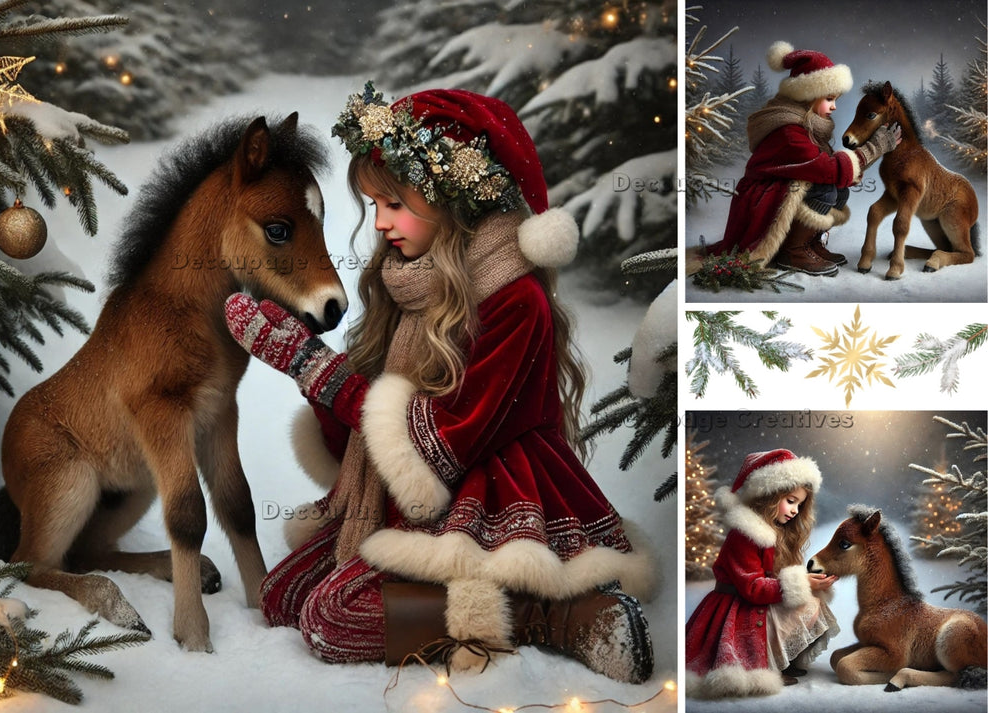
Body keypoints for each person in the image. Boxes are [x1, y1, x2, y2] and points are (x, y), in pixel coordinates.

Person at [223, 83, 655, 683]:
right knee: (283, 594)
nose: (378, 223)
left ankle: (553, 614)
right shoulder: (413, 283)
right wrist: (304, 367)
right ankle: (496, 606)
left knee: (334, 618)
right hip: (412, 499)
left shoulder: (514, 300)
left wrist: (312, 367)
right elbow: (363, 431)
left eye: (393, 202)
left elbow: (439, 447)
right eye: (372, 204)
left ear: (452, 199)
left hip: (490, 494)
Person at [704, 42, 901, 276]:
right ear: (808, 95)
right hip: (761, 202)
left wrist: (859, 161)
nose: (835, 106)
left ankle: (809, 244)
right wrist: (875, 147)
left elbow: (835, 170)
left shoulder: (807, 126)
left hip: (778, 192)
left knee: (839, 191)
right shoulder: (788, 131)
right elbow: (827, 169)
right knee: (826, 189)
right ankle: (793, 250)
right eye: (830, 98)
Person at [685, 449, 839, 698]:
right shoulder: (745, 533)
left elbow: (772, 578)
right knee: (804, 603)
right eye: (790, 501)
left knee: (812, 603)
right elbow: (754, 588)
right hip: (736, 608)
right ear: (769, 496)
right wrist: (801, 583)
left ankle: (782, 659)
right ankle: (768, 664)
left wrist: (809, 581)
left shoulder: (775, 531)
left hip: (755, 602)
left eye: (800, 504)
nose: (795, 511)